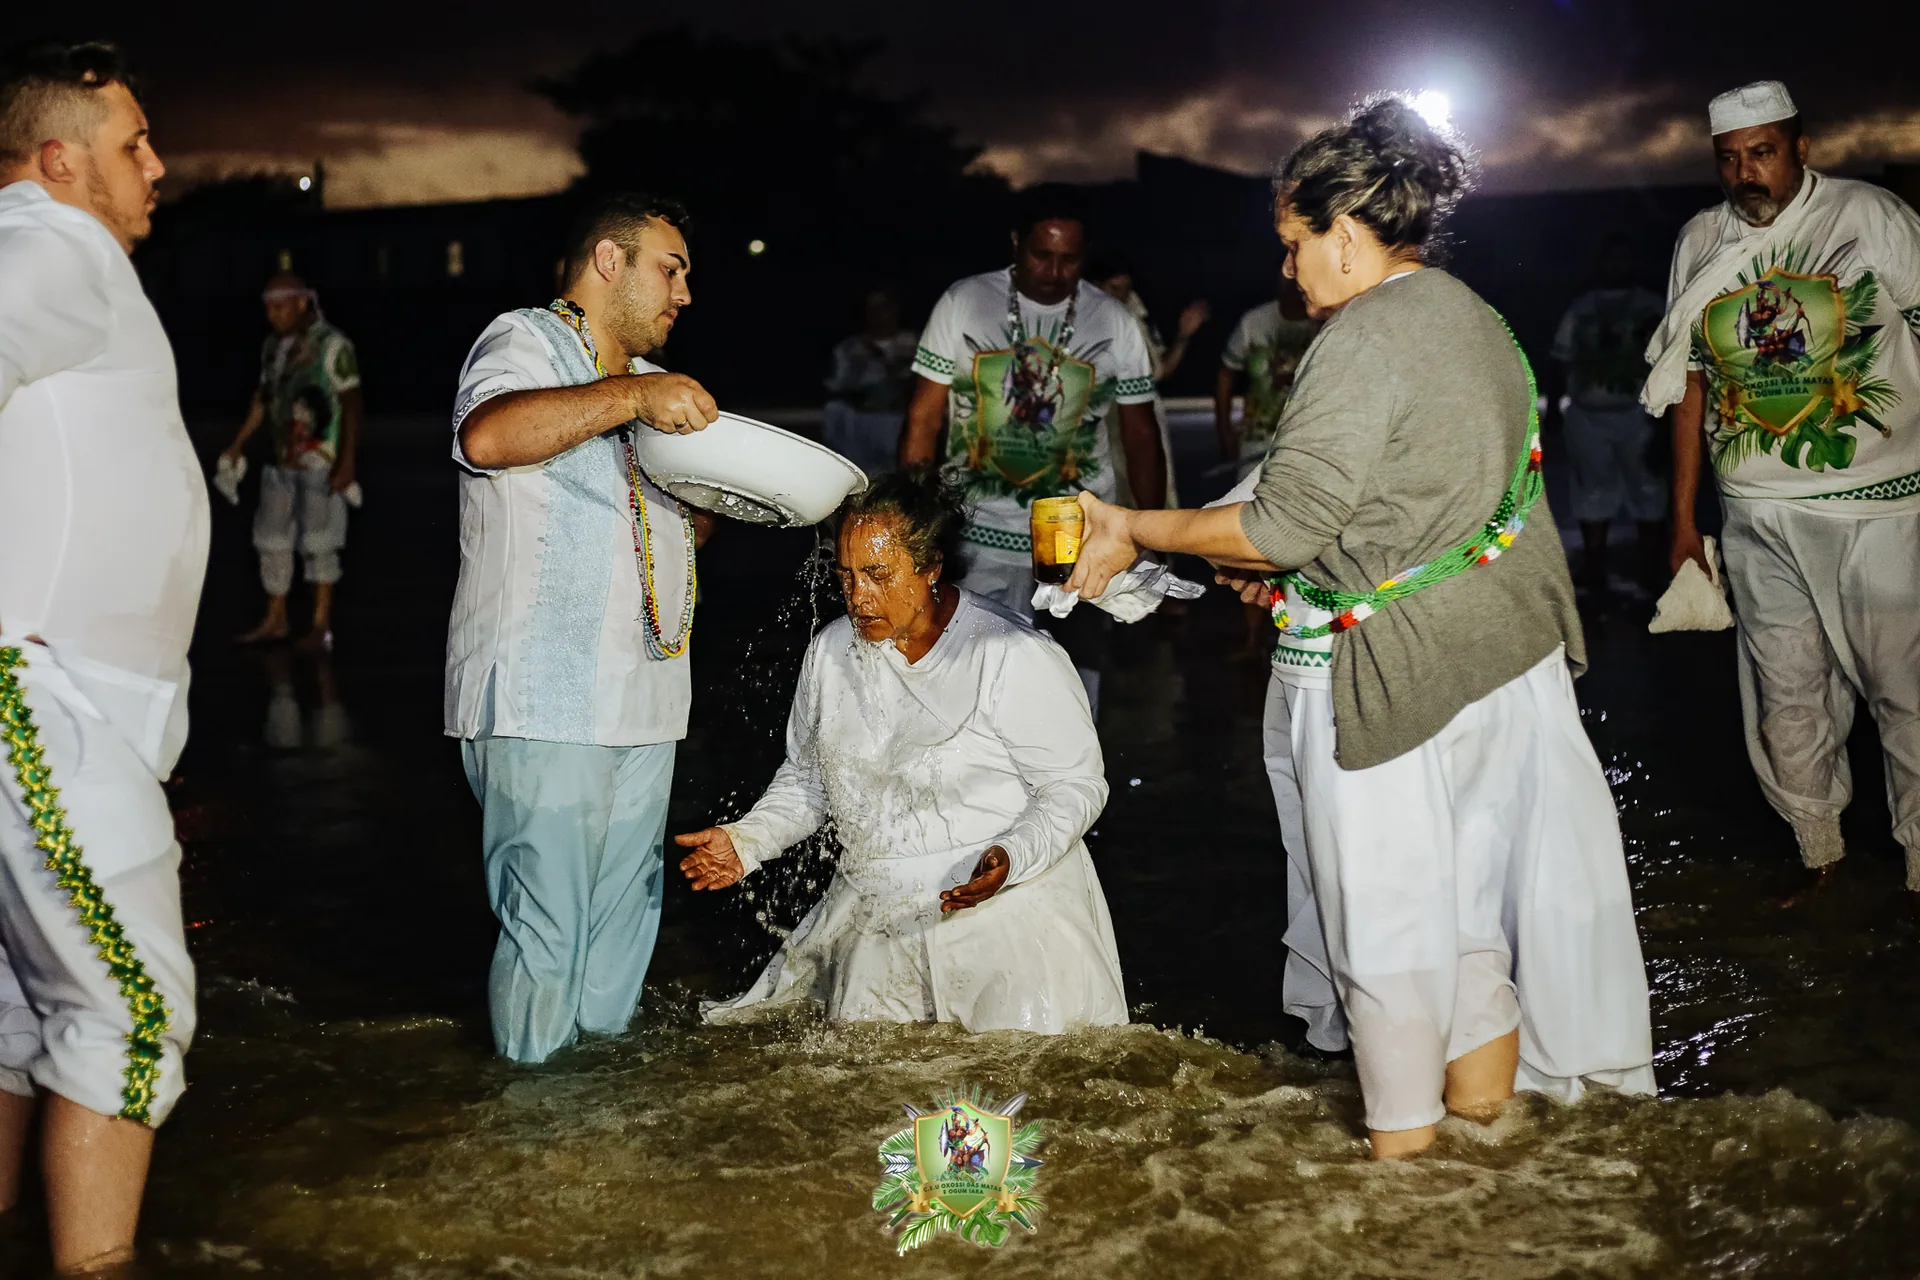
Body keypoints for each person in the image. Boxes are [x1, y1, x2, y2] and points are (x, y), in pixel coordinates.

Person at [1068, 97, 1655, 1159]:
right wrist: (1298, 566)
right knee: (1469, 929)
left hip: (1401, 679)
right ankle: (1490, 1147)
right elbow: (1420, 497)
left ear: (1344, 233)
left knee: (1385, 936)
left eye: (1293, 244)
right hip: (1502, 663)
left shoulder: (1360, 338)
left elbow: (1282, 524)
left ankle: (1399, 1179)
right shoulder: (1477, 316)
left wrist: (1131, 526)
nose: (1287, 270)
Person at [675, 466, 1126, 1032]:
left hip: (1006, 909)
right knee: (871, 1078)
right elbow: (813, 778)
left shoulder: (1010, 653)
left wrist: (1012, 856)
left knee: (1016, 1077)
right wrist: (749, 840)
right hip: (881, 911)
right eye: (846, 575)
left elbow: (1075, 786)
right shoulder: (832, 652)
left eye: (879, 574)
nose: (858, 597)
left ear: (930, 567)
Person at [0, 42, 207, 1273]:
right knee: (130, 1015)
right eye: (133, 143)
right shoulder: (55, 244)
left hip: (56, 699)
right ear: (59, 159)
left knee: (21, 1018)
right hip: (44, 701)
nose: (157, 164)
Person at [446, 192, 719, 1064]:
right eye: (671, 270)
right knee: (549, 931)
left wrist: (719, 500)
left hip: (645, 696)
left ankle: (600, 1117)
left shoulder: (642, 386)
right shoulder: (524, 340)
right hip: (544, 697)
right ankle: (531, 1125)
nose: (684, 294)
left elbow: (661, 527)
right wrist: (636, 395)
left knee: (622, 933)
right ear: (609, 261)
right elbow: (487, 438)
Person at [1646, 81, 1920, 913]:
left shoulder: (1869, 215)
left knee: (1906, 691)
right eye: (1730, 158)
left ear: (1801, 149)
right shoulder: (1701, 239)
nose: (1746, 173)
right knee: (1785, 693)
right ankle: (1819, 853)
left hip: (1877, 505)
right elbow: (1689, 385)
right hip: (1755, 514)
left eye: (1762, 153)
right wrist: (1684, 520)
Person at [901, 186, 1164, 713]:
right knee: (971, 682)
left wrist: (1151, 534)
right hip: (976, 534)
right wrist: (915, 520)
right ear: (1015, 244)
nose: (1055, 271)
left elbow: (1140, 434)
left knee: (1073, 683)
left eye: (1070, 259)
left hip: (1076, 540)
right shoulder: (964, 302)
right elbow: (924, 418)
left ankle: (1072, 762)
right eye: (1042, 255)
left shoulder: (1112, 320)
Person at [221, 273, 363, 648]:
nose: (272, 315)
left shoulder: (333, 345)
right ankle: (276, 617)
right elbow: (263, 397)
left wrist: (346, 459)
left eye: (279, 306)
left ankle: (320, 623)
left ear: (301, 303)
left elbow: (351, 401)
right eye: (268, 307)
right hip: (279, 458)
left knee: (320, 540)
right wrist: (238, 443)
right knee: (271, 537)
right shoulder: (273, 347)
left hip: (320, 460)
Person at [1547, 234, 1667, 599]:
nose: (1617, 264)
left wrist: (1667, 418)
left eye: (1623, 257)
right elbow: (1560, 359)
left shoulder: (1652, 306)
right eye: (1610, 258)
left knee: (1648, 489)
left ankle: (1651, 571)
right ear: (1600, 263)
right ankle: (1594, 570)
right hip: (1587, 416)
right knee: (1591, 492)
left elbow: (1670, 362)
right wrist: (1553, 409)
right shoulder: (1581, 308)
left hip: (1640, 416)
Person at [1217, 272, 1321, 654]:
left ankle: (1299, 634)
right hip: (1256, 449)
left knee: (1305, 541)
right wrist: (1223, 429)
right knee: (1250, 544)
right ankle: (1253, 639)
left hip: (1309, 453)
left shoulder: (1325, 323)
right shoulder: (1255, 322)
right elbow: (1226, 374)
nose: (1293, 284)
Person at [1088, 252, 1208, 508]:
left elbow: (1159, 371)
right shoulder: (1082, 322)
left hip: (1144, 418)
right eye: (1114, 288)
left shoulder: (1135, 314)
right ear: (1094, 287)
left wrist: (1184, 336)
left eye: (1126, 289)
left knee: (1153, 493)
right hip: (1106, 426)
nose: (1122, 296)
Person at [821, 287, 917, 478]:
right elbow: (835, 388)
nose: (880, 313)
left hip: (903, 426)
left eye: (885, 306)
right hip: (862, 431)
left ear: (896, 308)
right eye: (872, 308)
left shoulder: (915, 343)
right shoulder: (848, 348)